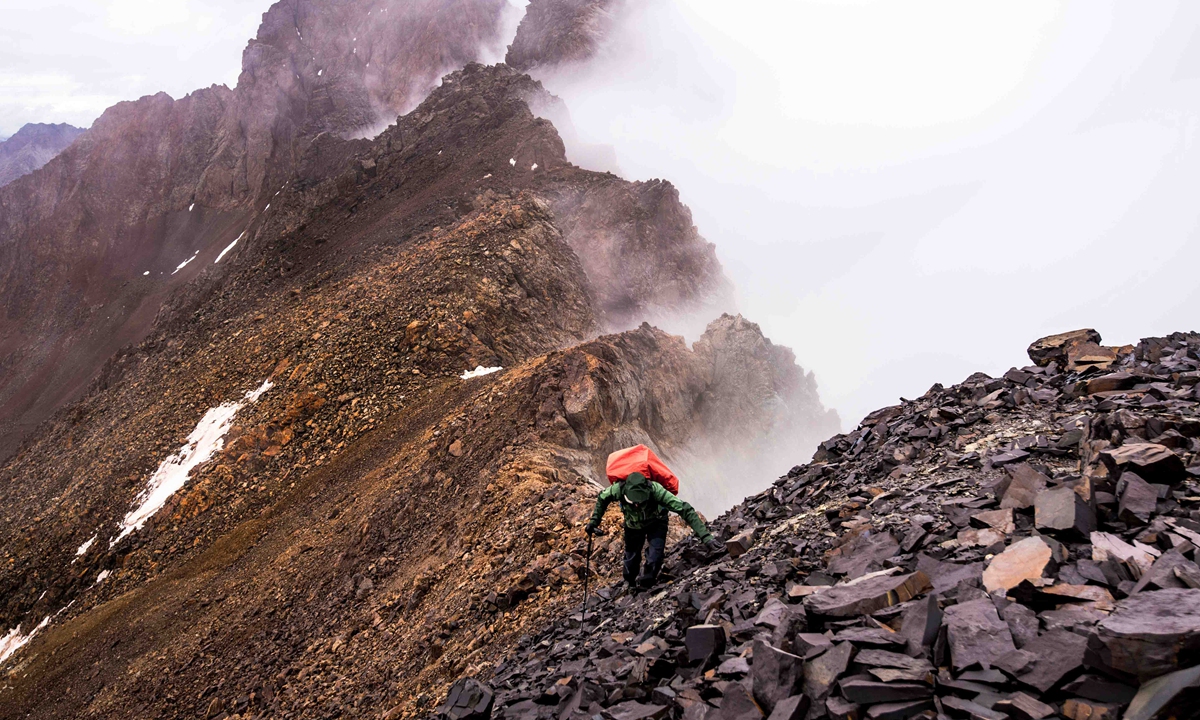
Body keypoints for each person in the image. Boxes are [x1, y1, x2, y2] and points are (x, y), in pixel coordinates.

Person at [586, 471, 723, 591]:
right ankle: (630, 582)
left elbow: (685, 509)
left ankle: (646, 584)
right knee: (631, 557)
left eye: (640, 500)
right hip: (633, 525)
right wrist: (594, 522)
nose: (637, 504)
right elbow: (602, 498)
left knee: (655, 556)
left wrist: (706, 538)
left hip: (656, 522)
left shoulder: (656, 490)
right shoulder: (618, 489)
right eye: (633, 501)